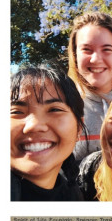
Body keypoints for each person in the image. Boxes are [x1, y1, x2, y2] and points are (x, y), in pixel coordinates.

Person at [68, 11, 112, 162]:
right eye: (86, 49)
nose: (96, 59)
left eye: (106, 49)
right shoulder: (63, 105)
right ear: (75, 56)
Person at [11, 63, 85, 201]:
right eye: (16, 112)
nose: (34, 125)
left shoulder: (74, 196)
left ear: (79, 128)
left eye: (54, 110)